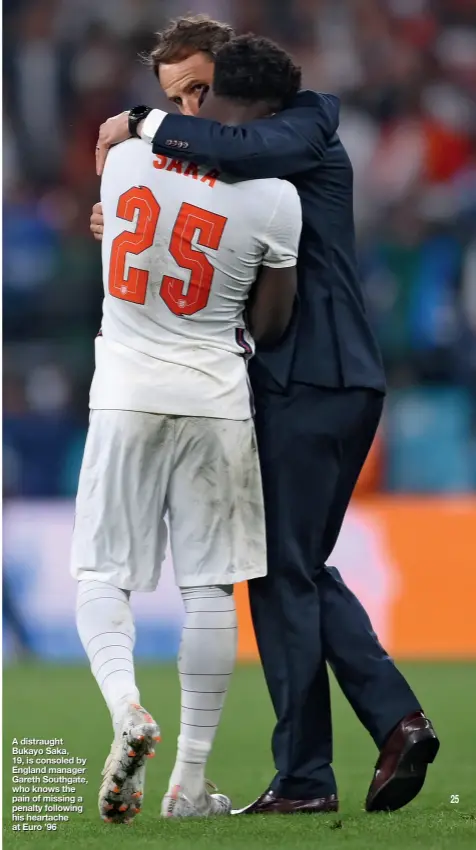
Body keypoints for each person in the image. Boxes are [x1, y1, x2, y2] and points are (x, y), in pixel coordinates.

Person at [93, 16, 440, 815]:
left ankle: (342, 756)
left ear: (232, 89)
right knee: (294, 570)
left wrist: (146, 124)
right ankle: (364, 742)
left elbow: (239, 156)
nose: (200, 114)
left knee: (284, 573)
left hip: (310, 378)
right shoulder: (272, 144)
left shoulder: (302, 129)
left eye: (203, 96)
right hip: (330, 380)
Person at [72, 34, 301, 823]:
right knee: (209, 590)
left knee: (102, 576)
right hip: (215, 398)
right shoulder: (275, 192)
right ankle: (189, 784)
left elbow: (127, 237)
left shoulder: (122, 160)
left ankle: (128, 709)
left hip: (126, 393)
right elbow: (271, 327)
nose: (191, 108)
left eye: (199, 89)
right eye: (180, 95)